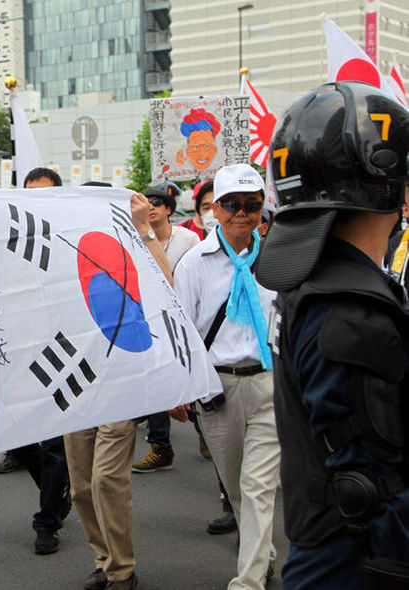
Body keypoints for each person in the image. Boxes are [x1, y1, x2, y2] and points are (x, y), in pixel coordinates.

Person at [257, 81, 409, 589]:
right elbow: (368, 485)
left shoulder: (312, 281)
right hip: (358, 565)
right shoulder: (352, 307)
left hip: (322, 545)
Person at [173, 163, 280, 590]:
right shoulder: (193, 263)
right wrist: (180, 389)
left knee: (258, 486)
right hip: (217, 388)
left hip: (270, 383)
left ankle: (249, 581)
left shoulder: (278, 259)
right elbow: (182, 333)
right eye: (232, 204)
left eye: (251, 205)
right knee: (237, 486)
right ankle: (263, 553)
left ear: (261, 210)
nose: (242, 213)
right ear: (213, 210)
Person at [66, 188, 176, 590]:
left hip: (120, 383)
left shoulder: (128, 239)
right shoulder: (62, 246)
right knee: (80, 485)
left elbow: (166, 284)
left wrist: (143, 227)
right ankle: (103, 557)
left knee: (107, 480)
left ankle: (122, 569)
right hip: (77, 385)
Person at [4, 166, 73, 556]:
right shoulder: (10, 241)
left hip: (63, 352)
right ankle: (56, 494)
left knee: (53, 446)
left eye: (44, 193)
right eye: (30, 193)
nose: (37, 200)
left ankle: (47, 522)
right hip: (18, 353)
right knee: (22, 439)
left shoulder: (70, 238)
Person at [132, 180, 199, 474]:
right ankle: (161, 447)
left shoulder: (188, 240)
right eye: (146, 203)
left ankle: (205, 430)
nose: (150, 208)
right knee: (157, 382)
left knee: (189, 381)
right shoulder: (133, 237)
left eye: (156, 203)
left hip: (184, 320)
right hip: (150, 322)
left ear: (169, 209)